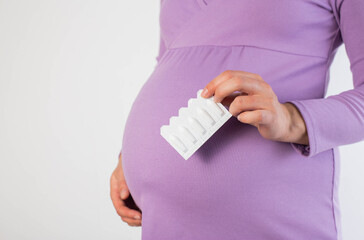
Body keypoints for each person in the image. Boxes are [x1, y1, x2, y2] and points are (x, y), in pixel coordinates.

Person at [110, 0, 364, 239]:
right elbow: (171, 62)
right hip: (164, 217)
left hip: (268, 210)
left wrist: (290, 120)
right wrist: (130, 157)